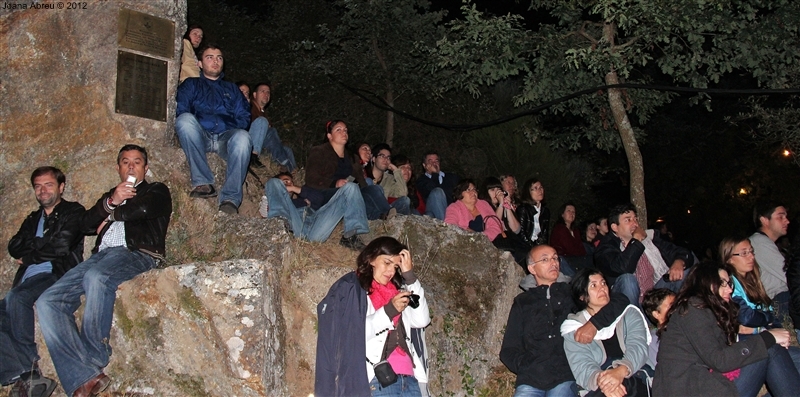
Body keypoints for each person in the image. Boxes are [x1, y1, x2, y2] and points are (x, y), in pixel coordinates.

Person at [36, 145, 172, 397]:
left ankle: (93, 355)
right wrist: (110, 201)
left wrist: (110, 215)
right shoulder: (111, 196)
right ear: (118, 168)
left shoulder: (156, 190)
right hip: (101, 257)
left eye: (137, 162)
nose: (131, 166)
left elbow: (143, 210)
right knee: (47, 301)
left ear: (146, 168)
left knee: (96, 278)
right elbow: (85, 225)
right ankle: (84, 377)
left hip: (137, 253)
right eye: (125, 162)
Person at [500, 245, 630, 397]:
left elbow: (619, 300)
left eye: (555, 258)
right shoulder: (523, 302)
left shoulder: (572, 293)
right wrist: (526, 365)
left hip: (565, 374)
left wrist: (594, 324)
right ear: (532, 268)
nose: (553, 262)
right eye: (545, 259)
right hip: (530, 379)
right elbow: (509, 349)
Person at [653, 262, 796, 397]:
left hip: (703, 386)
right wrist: (768, 337)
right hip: (691, 391)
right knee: (769, 348)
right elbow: (719, 360)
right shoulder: (692, 309)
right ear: (705, 282)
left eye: (729, 284)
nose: (729, 289)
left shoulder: (701, 310)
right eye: (722, 283)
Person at [3, 167, 86, 397]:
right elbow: (14, 246)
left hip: (56, 274)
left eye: (48, 184)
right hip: (28, 280)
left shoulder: (73, 211)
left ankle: (30, 373)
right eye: (38, 186)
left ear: (61, 187)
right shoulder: (32, 219)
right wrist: (44, 243)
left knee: (17, 298)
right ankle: (18, 374)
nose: (42, 190)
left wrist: (30, 254)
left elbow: (62, 246)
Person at [315, 237, 430, 396]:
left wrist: (409, 276)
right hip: (380, 380)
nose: (391, 271)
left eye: (396, 267)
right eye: (387, 263)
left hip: (411, 380)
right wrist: (389, 311)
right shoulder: (357, 292)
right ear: (372, 259)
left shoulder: (398, 292)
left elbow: (422, 320)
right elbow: (353, 333)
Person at [175, 44, 251, 214]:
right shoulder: (191, 85)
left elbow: (244, 117)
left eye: (219, 58)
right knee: (184, 120)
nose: (215, 61)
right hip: (201, 135)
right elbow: (182, 109)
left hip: (226, 138)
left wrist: (231, 130)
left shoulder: (232, 89)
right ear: (200, 64)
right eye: (209, 57)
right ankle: (203, 183)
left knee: (243, 137)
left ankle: (230, 199)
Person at [561, 269, 652, 397]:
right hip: (598, 385)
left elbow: (638, 347)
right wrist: (605, 382)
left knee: (630, 385)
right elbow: (582, 365)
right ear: (582, 296)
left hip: (632, 374)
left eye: (603, 283)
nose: (602, 288)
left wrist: (620, 371)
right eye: (594, 285)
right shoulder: (574, 327)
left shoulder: (629, 313)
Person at [594, 203, 691, 305]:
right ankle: (635, 319)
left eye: (635, 219)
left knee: (684, 272)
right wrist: (636, 241)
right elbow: (623, 268)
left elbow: (682, 252)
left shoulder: (649, 239)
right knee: (628, 279)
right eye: (628, 220)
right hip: (630, 299)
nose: (635, 224)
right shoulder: (606, 247)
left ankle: (684, 315)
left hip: (654, 296)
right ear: (615, 227)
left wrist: (679, 262)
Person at [302, 120, 370, 249]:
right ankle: (351, 234)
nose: (343, 132)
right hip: (325, 194)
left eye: (345, 130)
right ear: (329, 136)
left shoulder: (352, 157)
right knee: (350, 187)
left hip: (346, 195)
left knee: (371, 189)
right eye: (338, 129)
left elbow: (360, 181)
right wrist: (335, 183)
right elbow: (311, 178)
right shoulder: (319, 151)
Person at [261, 170, 371, 245]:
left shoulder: (303, 195)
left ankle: (353, 235)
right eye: (285, 182)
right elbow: (265, 207)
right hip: (294, 224)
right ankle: (279, 224)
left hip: (317, 224)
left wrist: (295, 189)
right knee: (273, 182)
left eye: (291, 182)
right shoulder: (283, 202)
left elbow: (319, 198)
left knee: (351, 187)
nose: (289, 184)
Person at [750, 202, 790, 313]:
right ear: (764, 220)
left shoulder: (764, 242)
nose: (787, 221)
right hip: (779, 303)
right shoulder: (760, 243)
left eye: (786, 217)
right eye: (780, 216)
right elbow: (788, 274)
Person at [479, 177, 528, 266]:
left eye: (499, 190)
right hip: (496, 244)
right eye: (492, 190)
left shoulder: (502, 206)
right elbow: (494, 224)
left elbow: (516, 230)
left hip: (510, 243)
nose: (496, 193)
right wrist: (501, 205)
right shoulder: (483, 205)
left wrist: (507, 207)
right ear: (486, 192)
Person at [248, 82, 296, 171]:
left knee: (287, 150)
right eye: (262, 91)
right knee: (268, 127)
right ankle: (253, 156)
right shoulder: (249, 107)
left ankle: (292, 174)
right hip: (251, 144)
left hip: (263, 146)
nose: (266, 94)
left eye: (268, 92)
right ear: (254, 94)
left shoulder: (263, 112)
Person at [444, 179, 503, 244]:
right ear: (460, 193)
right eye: (468, 190)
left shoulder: (483, 204)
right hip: (465, 244)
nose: (473, 192)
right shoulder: (454, 207)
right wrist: (467, 233)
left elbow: (496, 225)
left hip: (488, 244)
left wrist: (480, 237)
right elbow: (450, 226)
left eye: (474, 189)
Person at [366, 143, 411, 216]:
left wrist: (396, 170)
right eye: (382, 156)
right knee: (374, 186)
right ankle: (386, 214)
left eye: (388, 157)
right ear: (374, 158)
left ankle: (388, 216)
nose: (386, 159)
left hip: (384, 212)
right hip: (367, 210)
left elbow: (403, 193)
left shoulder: (389, 179)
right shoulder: (364, 173)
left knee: (406, 201)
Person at [416, 151, 459, 220]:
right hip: (433, 212)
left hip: (451, 211)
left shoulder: (452, 177)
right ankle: (445, 226)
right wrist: (434, 174)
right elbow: (433, 191)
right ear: (424, 165)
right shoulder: (421, 181)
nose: (434, 163)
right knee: (437, 192)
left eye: (436, 161)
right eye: (430, 161)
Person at [550, 202, 588, 275]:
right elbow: (569, 248)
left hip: (576, 258)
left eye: (573, 212)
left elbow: (581, 247)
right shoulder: (560, 229)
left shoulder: (575, 230)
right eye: (568, 211)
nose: (571, 213)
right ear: (562, 214)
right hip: (565, 259)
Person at [640, 288, 675, 367]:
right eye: (671, 306)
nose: (676, 308)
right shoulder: (653, 341)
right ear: (656, 314)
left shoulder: (685, 329)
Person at [517, 178, 550, 248]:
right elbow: (522, 234)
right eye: (535, 188)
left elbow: (545, 235)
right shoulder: (523, 209)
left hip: (538, 246)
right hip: (525, 247)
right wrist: (533, 247)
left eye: (541, 187)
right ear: (528, 192)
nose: (540, 190)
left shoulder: (545, 211)